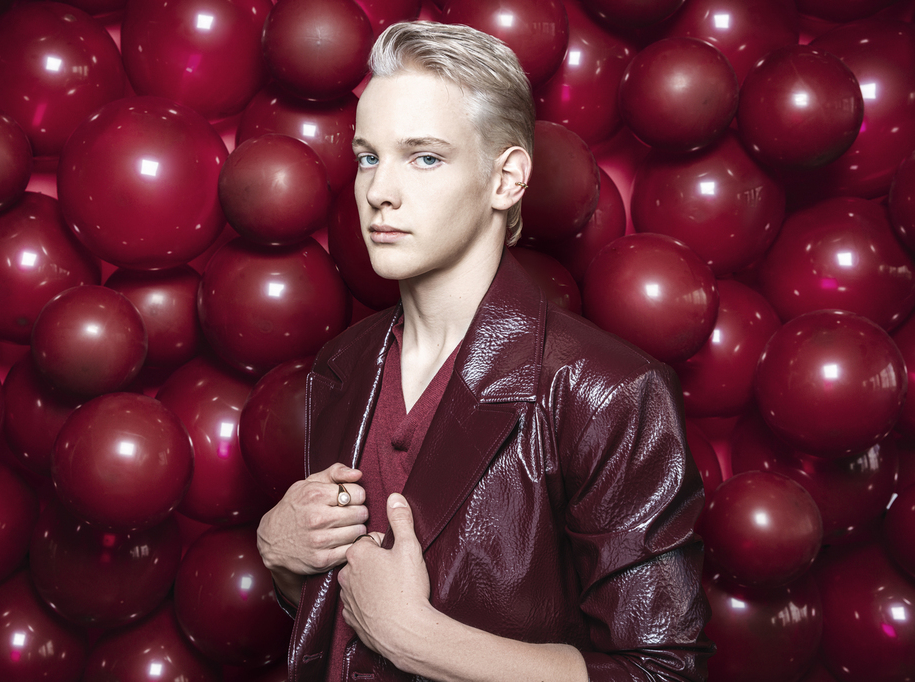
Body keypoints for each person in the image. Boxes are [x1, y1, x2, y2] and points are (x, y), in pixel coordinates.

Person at [256, 21, 712, 682]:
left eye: (425, 157)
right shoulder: (341, 366)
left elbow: (662, 672)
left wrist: (420, 639)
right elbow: (343, 625)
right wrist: (284, 563)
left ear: (507, 179)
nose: (379, 192)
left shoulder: (608, 392)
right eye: (368, 157)